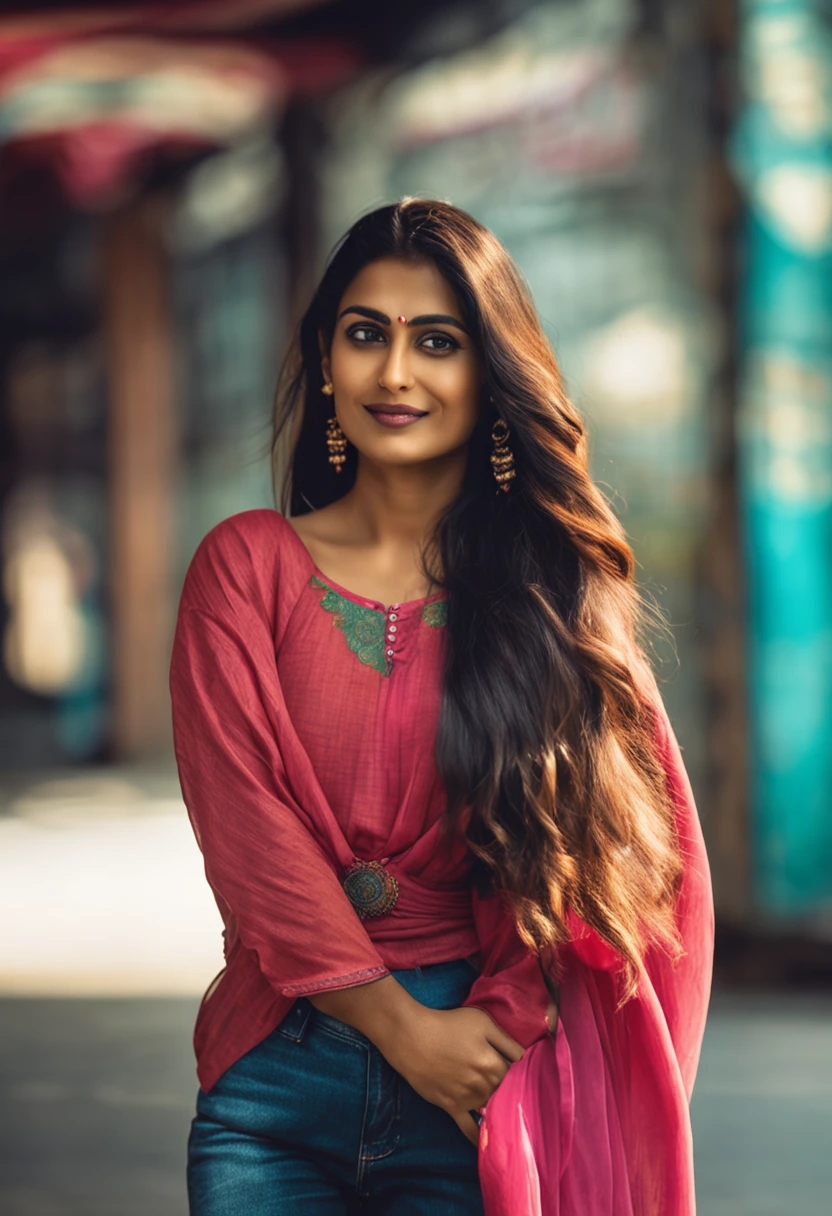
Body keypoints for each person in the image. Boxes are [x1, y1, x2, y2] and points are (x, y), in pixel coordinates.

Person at [170, 198, 714, 1215]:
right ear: (325, 362)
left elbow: (612, 863)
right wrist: (403, 1033)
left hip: (482, 1087)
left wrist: (491, 1027)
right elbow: (250, 836)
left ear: (487, 374)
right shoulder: (245, 568)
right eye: (365, 333)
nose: (396, 372)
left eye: (438, 342)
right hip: (273, 1088)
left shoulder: (548, 597)